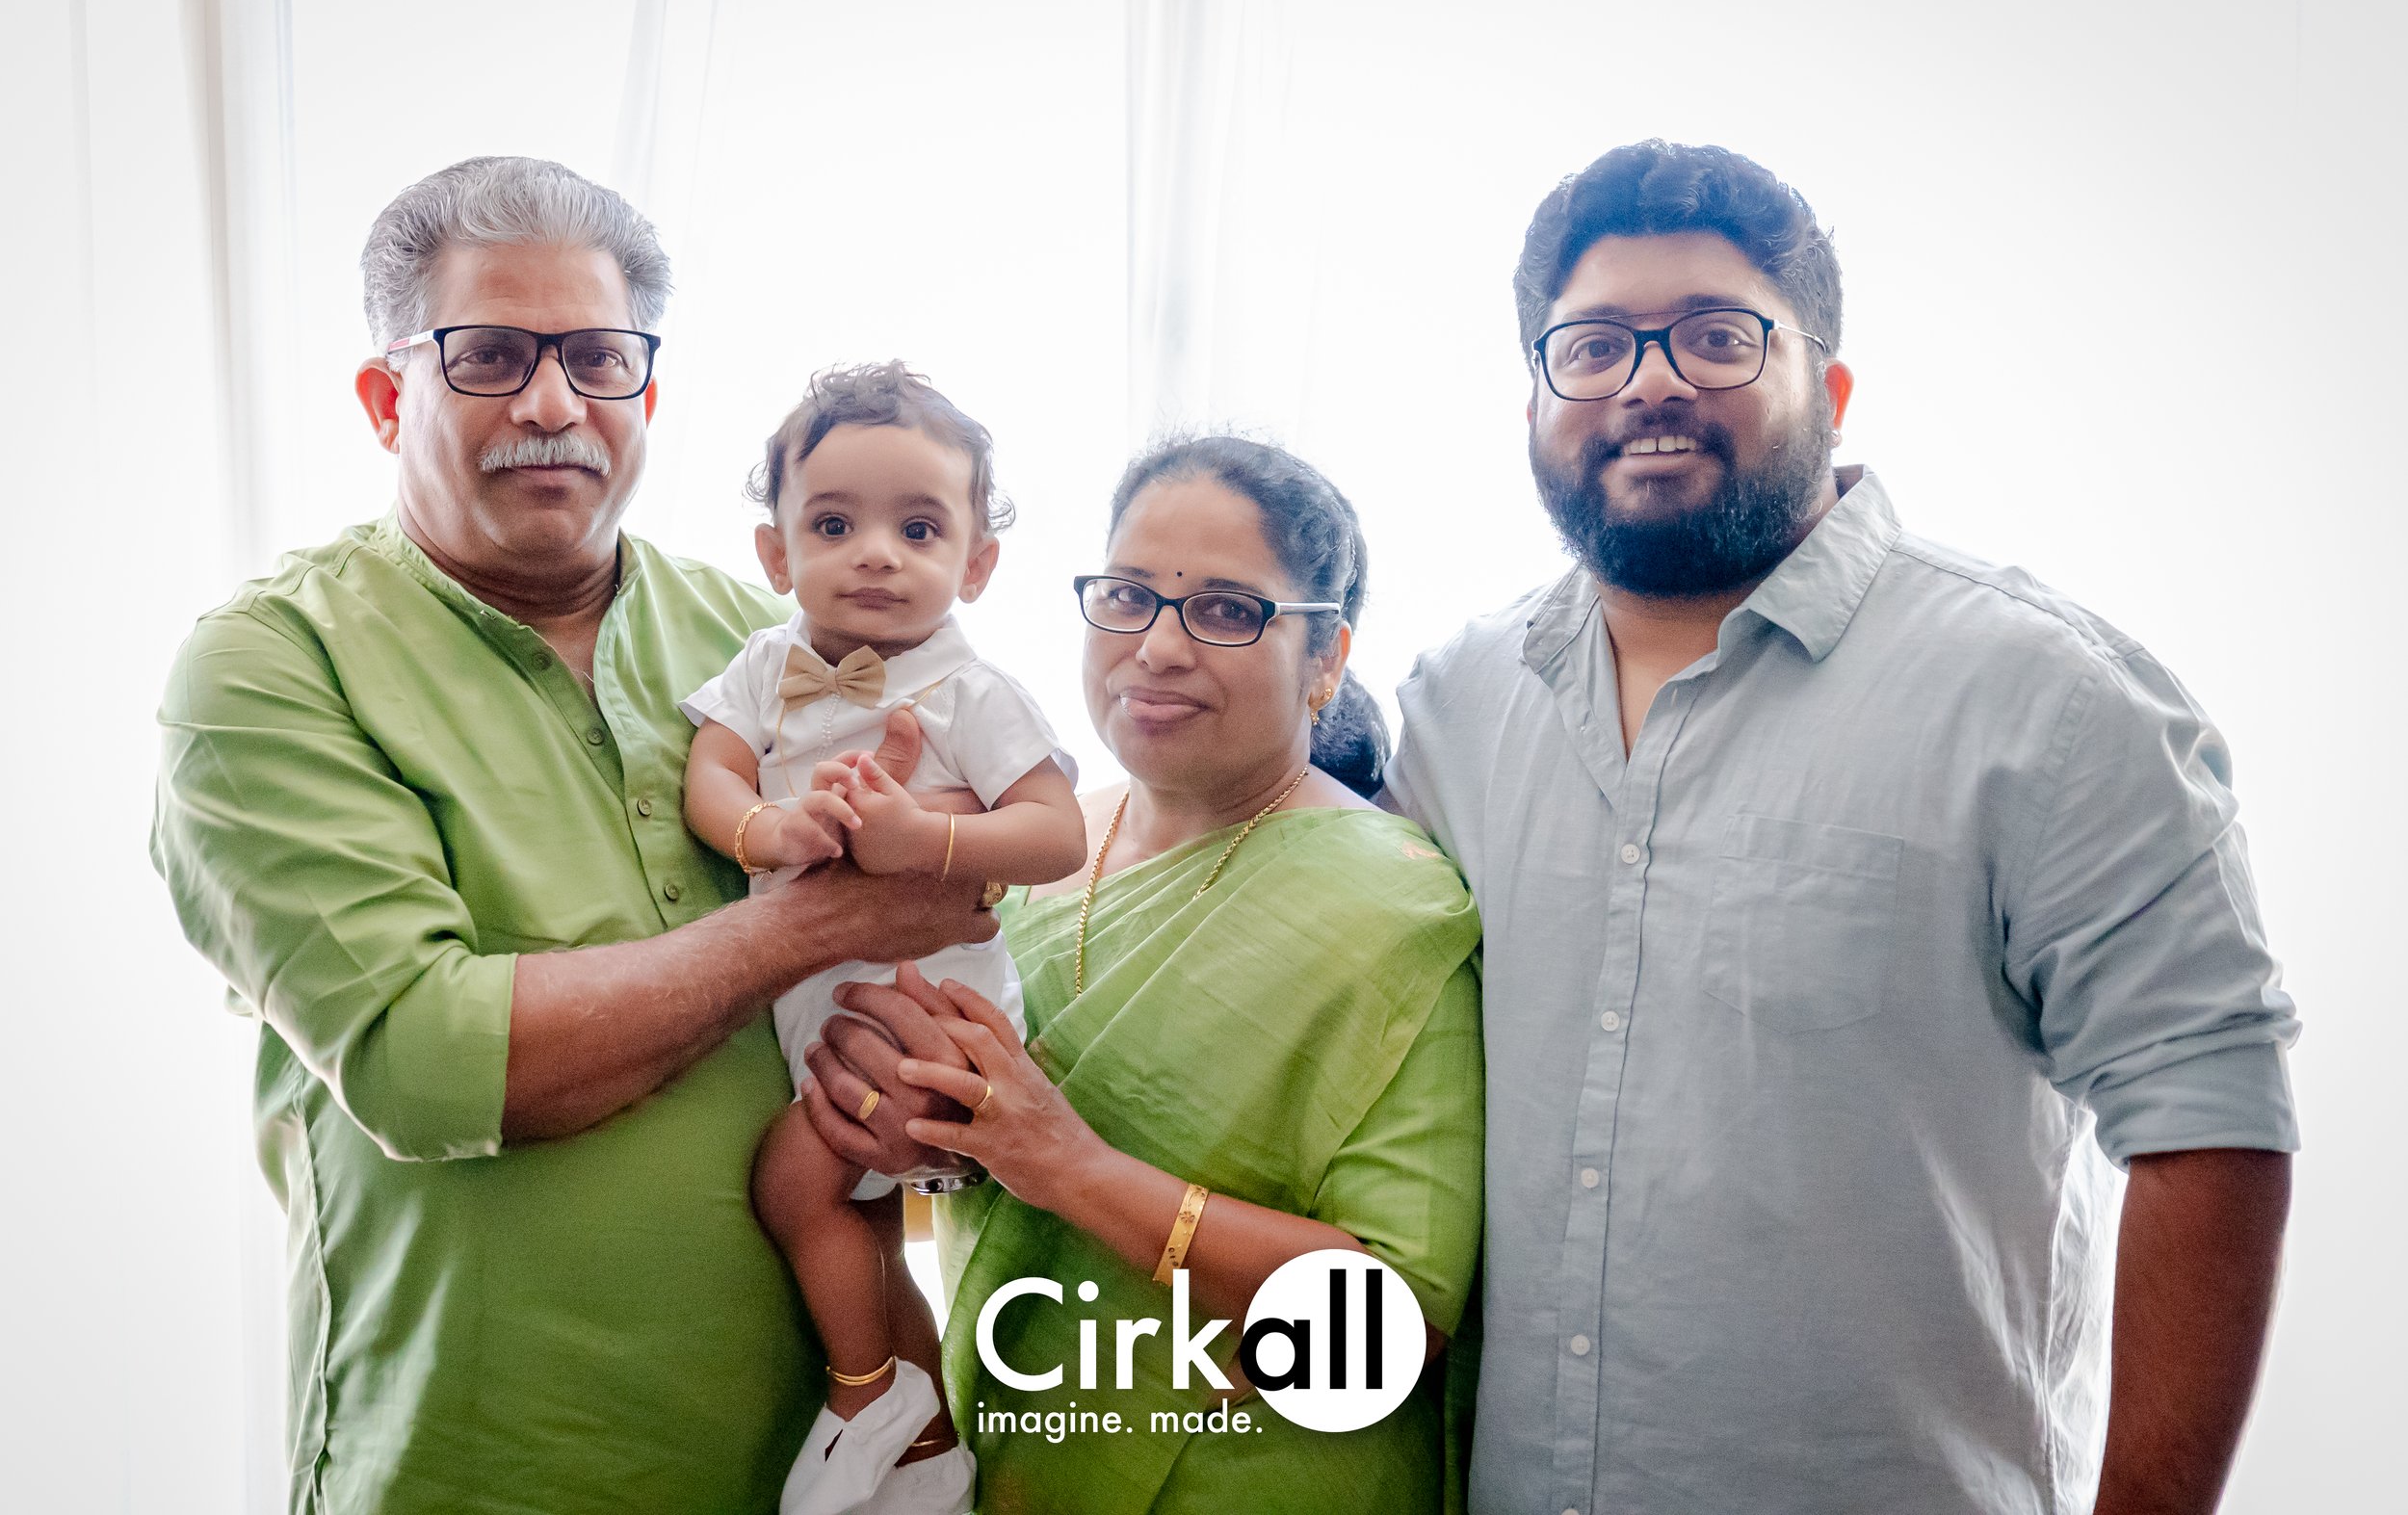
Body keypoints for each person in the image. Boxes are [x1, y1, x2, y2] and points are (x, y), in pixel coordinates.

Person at [1383, 140, 2302, 1514]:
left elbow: (2210, 1123)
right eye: (1593, 346)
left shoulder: (2045, 697)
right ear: (1535, 397)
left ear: (1834, 385)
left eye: (1716, 336)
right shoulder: (1455, 703)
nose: (1650, 381)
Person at [150, 156, 996, 1515]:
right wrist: (820, 919)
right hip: (471, 1465)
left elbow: (963, 930)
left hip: (813, 1468)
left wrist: (926, 1097)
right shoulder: (272, 666)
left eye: (599, 358)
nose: (555, 401)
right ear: (387, 399)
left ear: (645, 395)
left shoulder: (779, 645)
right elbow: (429, 1063)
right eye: (489, 354)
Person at [803, 437, 1485, 1514]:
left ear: (1326, 656)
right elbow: (955, 1189)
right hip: (1018, 1444)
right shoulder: (1018, 850)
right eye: (1126, 596)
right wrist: (927, 1146)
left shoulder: (1392, 910)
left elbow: (1386, 1334)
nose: (1156, 648)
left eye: (1225, 610)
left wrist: (1071, 1165)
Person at [682, 361, 1086, 1514]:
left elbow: (1056, 832)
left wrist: (923, 841)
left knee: (796, 1182)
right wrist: (766, 821)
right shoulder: (767, 667)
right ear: (775, 555)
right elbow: (709, 769)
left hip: (930, 1008)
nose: (875, 551)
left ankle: (868, 1392)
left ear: (975, 563)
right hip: (823, 1011)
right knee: (844, 1202)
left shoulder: (975, 691)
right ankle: (913, 1441)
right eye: (833, 522)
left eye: (918, 527)